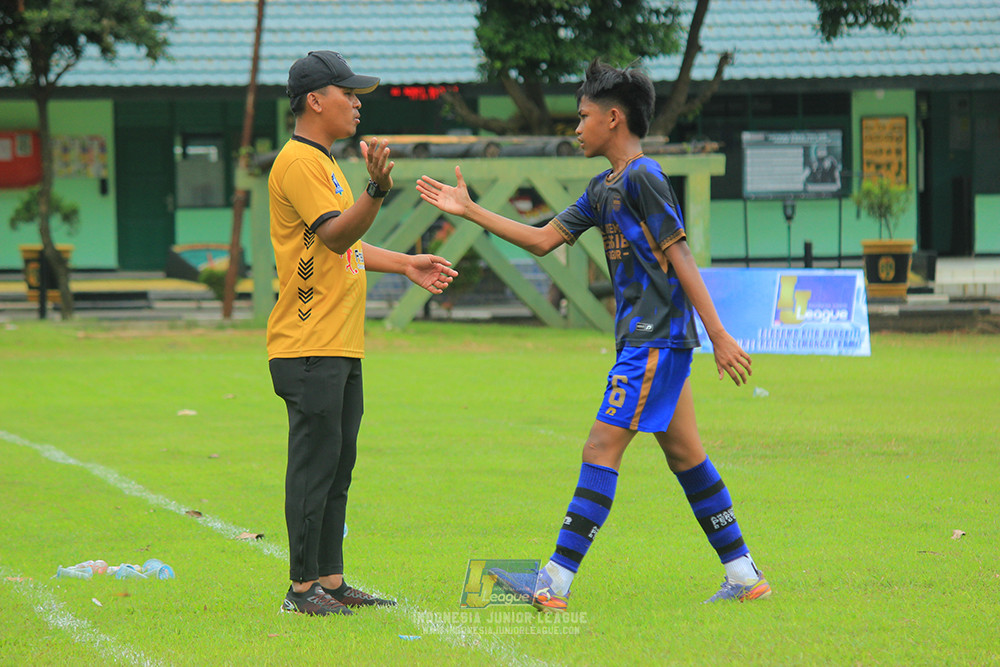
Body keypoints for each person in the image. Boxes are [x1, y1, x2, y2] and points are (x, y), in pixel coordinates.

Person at [416, 60, 770, 610]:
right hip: (648, 342)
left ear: (613, 117)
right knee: (687, 456)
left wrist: (718, 333)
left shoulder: (643, 176)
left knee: (599, 447)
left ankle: (552, 582)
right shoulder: (603, 187)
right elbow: (540, 240)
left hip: (655, 340)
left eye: (582, 117)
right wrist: (470, 210)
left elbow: (680, 255)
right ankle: (744, 574)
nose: (575, 128)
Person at [269, 50, 457, 616]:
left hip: (338, 343)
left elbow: (343, 239)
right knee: (315, 466)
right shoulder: (299, 162)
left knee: (338, 465)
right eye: (346, 92)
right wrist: (375, 191)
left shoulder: (324, 162)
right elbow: (332, 236)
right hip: (308, 345)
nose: (356, 102)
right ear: (314, 100)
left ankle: (329, 579)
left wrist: (404, 263)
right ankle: (301, 591)